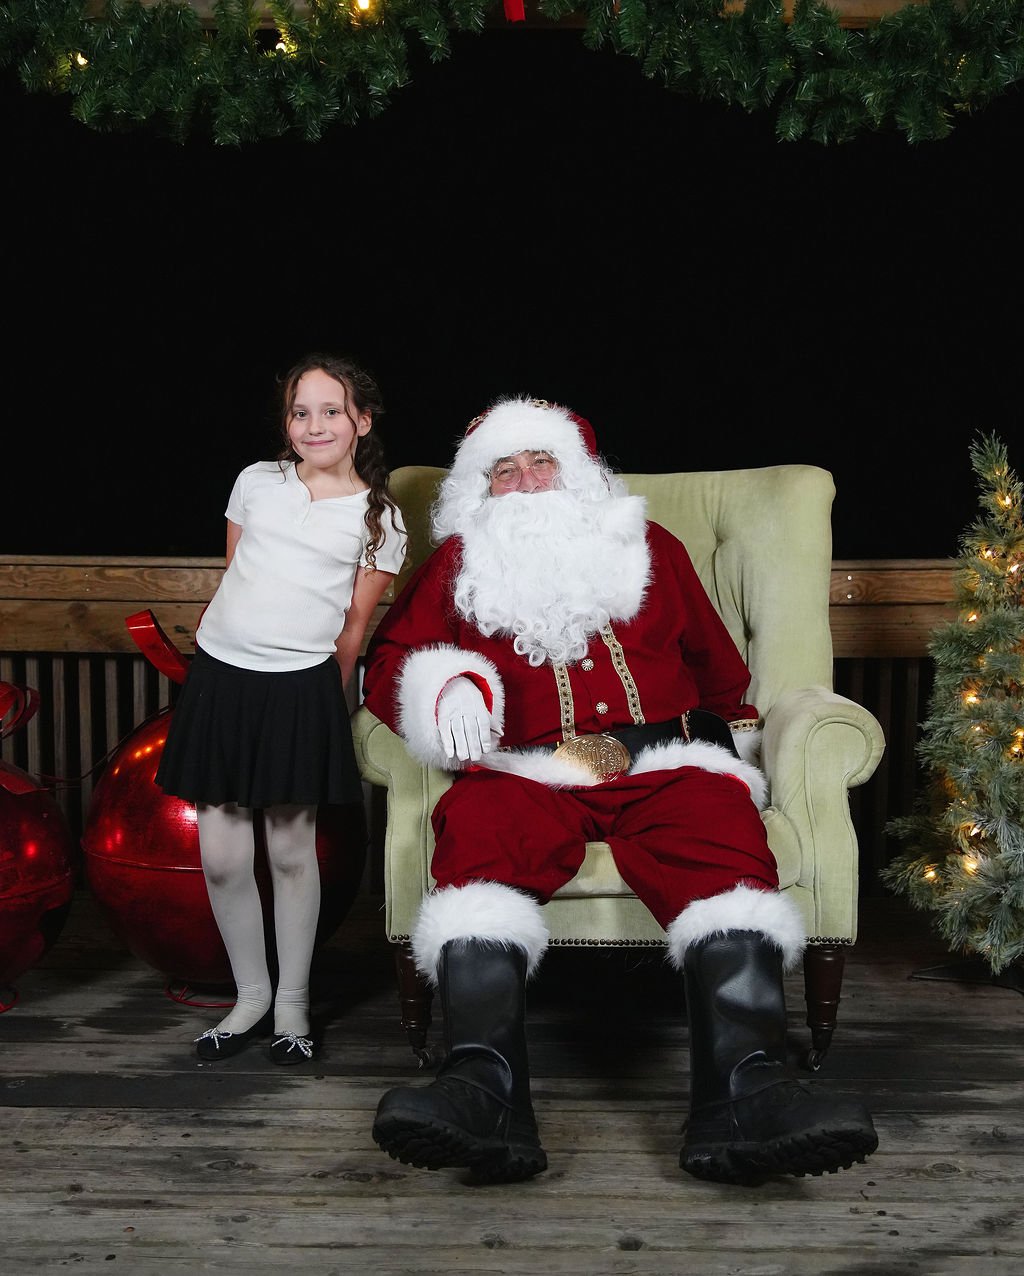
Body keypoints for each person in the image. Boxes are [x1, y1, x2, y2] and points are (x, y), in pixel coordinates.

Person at [359, 395, 878, 1185]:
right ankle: (484, 1093)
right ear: (481, 490)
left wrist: (725, 740)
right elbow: (393, 658)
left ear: (578, 475)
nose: (527, 482)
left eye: (542, 462)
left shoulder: (651, 549)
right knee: (479, 830)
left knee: (720, 829)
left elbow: (721, 671)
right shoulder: (456, 567)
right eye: (505, 469)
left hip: (663, 760)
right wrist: (445, 684)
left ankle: (746, 1094)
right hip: (526, 770)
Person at [156, 353, 408, 1065]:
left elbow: (352, 631)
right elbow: (237, 573)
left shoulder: (380, 518)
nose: (315, 424)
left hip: (301, 688)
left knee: (293, 854)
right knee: (226, 860)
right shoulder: (256, 482)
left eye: (332, 411)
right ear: (287, 423)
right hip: (225, 678)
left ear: (362, 420)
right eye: (301, 411)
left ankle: (293, 1007)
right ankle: (250, 998)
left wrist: (324, 712)